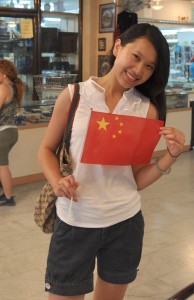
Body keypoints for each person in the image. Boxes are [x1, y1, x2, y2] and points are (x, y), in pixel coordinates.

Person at [38, 23, 185, 300]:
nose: (139, 70)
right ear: (118, 47)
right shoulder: (74, 95)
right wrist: (57, 180)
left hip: (125, 223)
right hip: (74, 221)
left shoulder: (148, 110)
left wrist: (171, 156)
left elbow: (136, 180)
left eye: (150, 67)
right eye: (136, 57)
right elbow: (45, 148)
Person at [0, 59, 25, 206]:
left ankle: (9, 198)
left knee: (2, 166)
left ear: (4, 74)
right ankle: (7, 193)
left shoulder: (3, 88)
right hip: (11, 131)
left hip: (2, 133)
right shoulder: (12, 87)